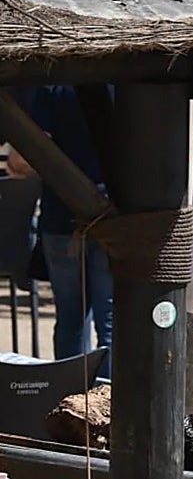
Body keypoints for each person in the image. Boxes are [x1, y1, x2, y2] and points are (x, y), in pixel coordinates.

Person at [7, 87, 114, 379]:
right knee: (111, 322)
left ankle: (69, 401)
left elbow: (19, 161)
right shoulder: (127, 82)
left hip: (61, 219)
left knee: (70, 319)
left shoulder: (52, 86)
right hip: (114, 219)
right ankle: (111, 406)